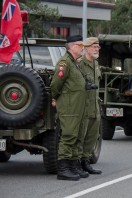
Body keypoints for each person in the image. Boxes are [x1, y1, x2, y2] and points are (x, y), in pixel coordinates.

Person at [50, 35, 88, 181]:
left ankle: (72, 165)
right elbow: (55, 84)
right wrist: (56, 98)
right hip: (69, 107)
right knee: (68, 136)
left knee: (76, 136)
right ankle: (63, 169)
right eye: (80, 45)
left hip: (76, 107)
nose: (82, 48)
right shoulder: (65, 63)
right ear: (71, 46)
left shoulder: (74, 63)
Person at [78, 37, 102, 174]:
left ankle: (85, 161)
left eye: (98, 47)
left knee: (92, 136)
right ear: (86, 48)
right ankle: (77, 163)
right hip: (83, 106)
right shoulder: (80, 64)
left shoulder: (96, 64)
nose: (96, 49)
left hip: (94, 106)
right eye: (93, 46)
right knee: (81, 136)